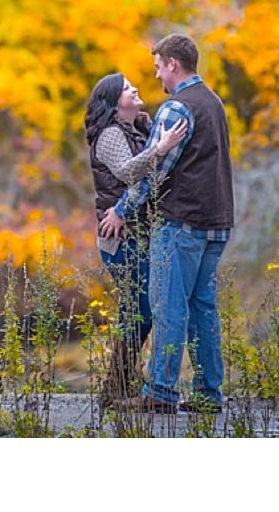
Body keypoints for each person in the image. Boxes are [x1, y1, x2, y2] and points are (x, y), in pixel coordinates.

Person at [107, 33, 234, 414]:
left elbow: (152, 175)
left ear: (172, 64)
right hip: (218, 222)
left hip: (181, 223)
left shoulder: (175, 109)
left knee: (168, 307)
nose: (158, 77)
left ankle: (160, 392)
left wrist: (120, 211)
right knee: (203, 310)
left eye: (158, 67)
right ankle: (209, 394)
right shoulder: (213, 103)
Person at [84, 72, 187, 410]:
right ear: (114, 102)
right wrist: (161, 148)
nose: (135, 88)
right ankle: (118, 386)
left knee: (137, 309)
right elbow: (129, 172)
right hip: (120, 238)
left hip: (138, 234)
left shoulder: (139, 127)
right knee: (140, 308)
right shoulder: (110, 134)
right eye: (127, 88)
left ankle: (118, 388)